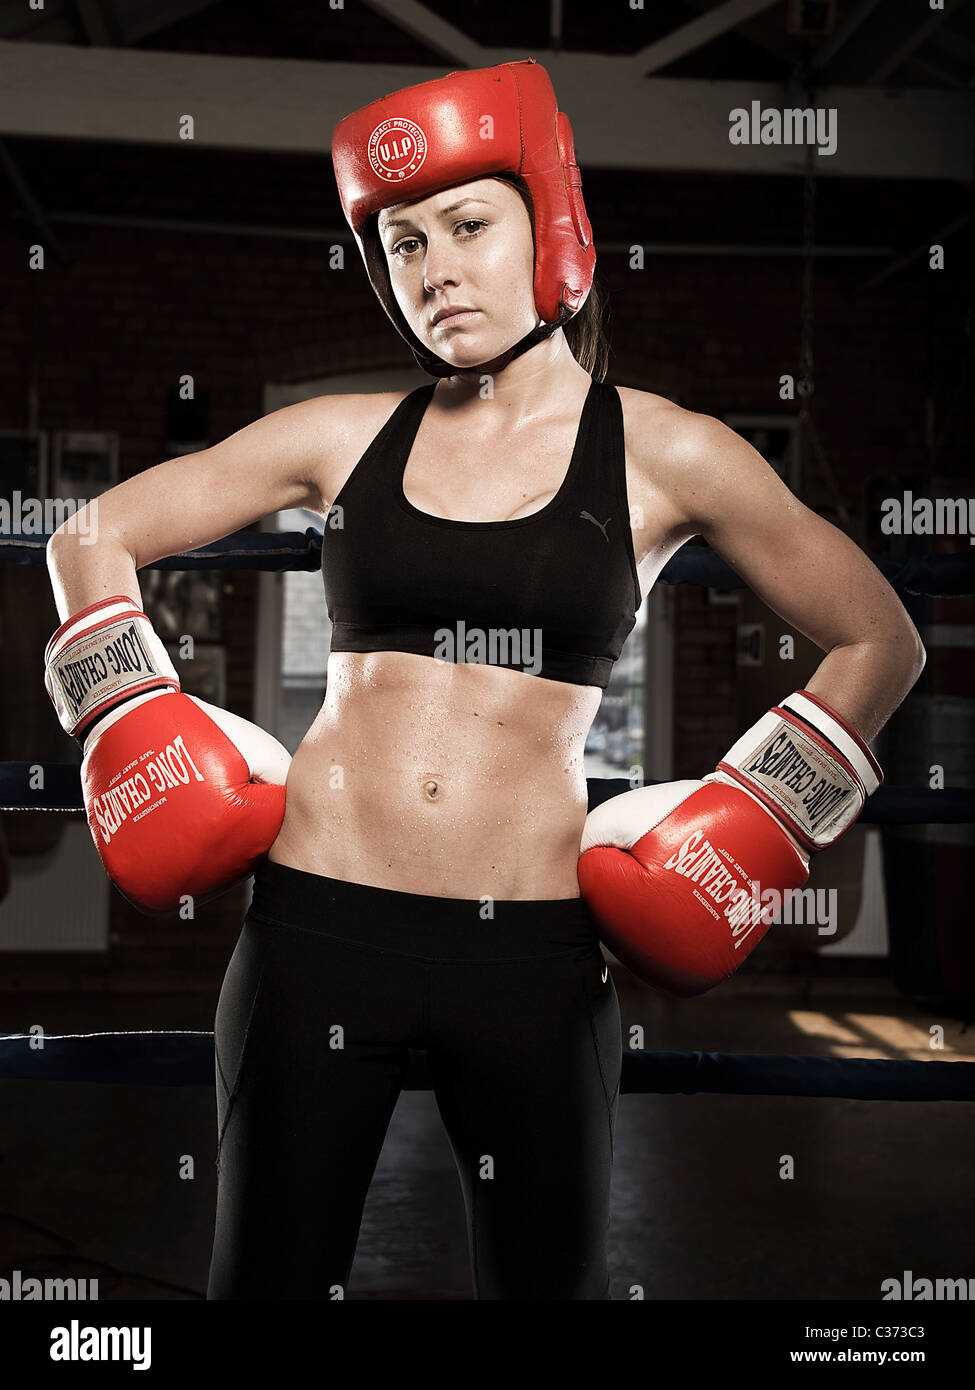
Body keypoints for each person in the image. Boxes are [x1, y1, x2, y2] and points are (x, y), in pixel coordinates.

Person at [44, 59, 925, 1300]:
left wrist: (768, 815)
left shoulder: (672, 451)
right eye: (401, 243)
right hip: (316, 931)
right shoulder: (339, 433)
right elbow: (88, 536)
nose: (432, 269)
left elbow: (879, 637)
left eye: (467, 226)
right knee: (267, 1282)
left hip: (531, 957)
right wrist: (129, 713)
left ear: (553, 228)